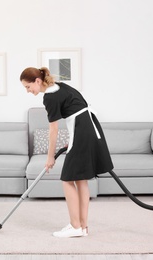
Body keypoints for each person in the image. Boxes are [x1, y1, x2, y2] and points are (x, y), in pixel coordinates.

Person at [20, 67, 113, 238]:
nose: (28, 91)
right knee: (80, 180)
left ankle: (75, 226)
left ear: (37, 81)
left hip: (83, 131)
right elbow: (77, 110)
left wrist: (50, 157)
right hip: (87, 129)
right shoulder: (60, 86)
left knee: (67, 179)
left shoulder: (49, 97)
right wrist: (73, 138)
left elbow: (53, 130)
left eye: (28, 87)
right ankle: (83, 227)